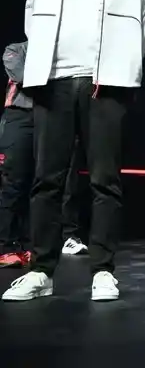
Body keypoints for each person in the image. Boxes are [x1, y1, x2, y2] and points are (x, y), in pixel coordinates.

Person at [1, 0, 145, 303]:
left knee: (105, 181)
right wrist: (45, 68)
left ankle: (103, 270)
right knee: (46, 181)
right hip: (53, 83)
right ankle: (41, 271)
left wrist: (118, 65)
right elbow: (33, 15)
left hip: (106, 84)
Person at [0, 42, 87, 269]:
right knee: (13, 182)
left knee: (40, 183)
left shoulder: (60, 52)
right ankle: (6, 246)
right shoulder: (15, 50)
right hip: (19, 117)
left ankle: (30, 244)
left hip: (48, 117)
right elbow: (24, 77)